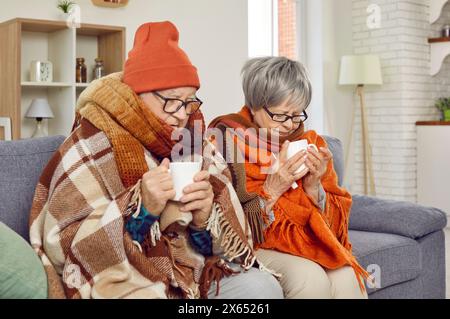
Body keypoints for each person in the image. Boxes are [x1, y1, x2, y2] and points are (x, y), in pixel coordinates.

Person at [28, 22, 283, 299]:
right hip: (124, 280)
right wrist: (143, 209)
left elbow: (220, 251)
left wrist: (204, 218)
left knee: (261, 287)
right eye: (172, 100)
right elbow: (68, 247)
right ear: (136, 96)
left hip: (193, 280)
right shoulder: (91, 144)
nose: (182, 114)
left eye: (189, 101)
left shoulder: (197, 146)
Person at [208, 56, 370, 299]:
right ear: (254, 106)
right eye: (281, 115)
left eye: (297, 115)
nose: (289, 125)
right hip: (255, 243)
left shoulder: (312, 143)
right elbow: (222, 224)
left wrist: (315, 188)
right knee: (309, 278)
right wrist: (272, 190)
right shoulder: (226, 142)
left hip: (308, 240)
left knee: (346, 275)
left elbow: (337, 226)